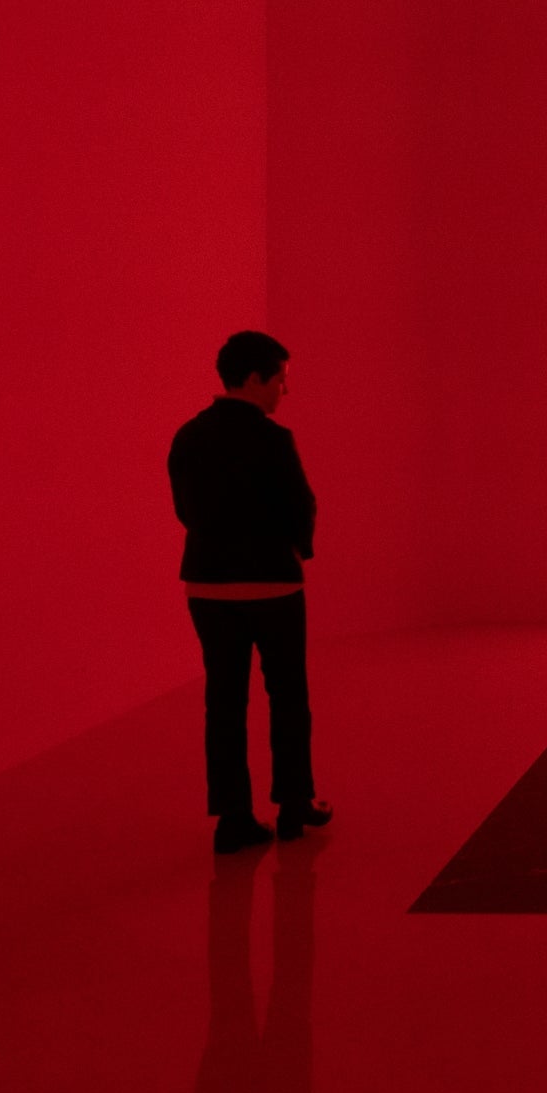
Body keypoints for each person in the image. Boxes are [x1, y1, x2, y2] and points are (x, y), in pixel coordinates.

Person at [170, 331, 333, 854]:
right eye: (281, 379)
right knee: (287, 694)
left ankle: (233, 818)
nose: (285, 390)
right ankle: (293, 804)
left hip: (208, 587)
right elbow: (301, 506)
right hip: (272, 585)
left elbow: (184, 510)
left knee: (223, 701)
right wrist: (297, 551)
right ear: (256, 378)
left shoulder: (189, 436)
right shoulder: (272, 438)